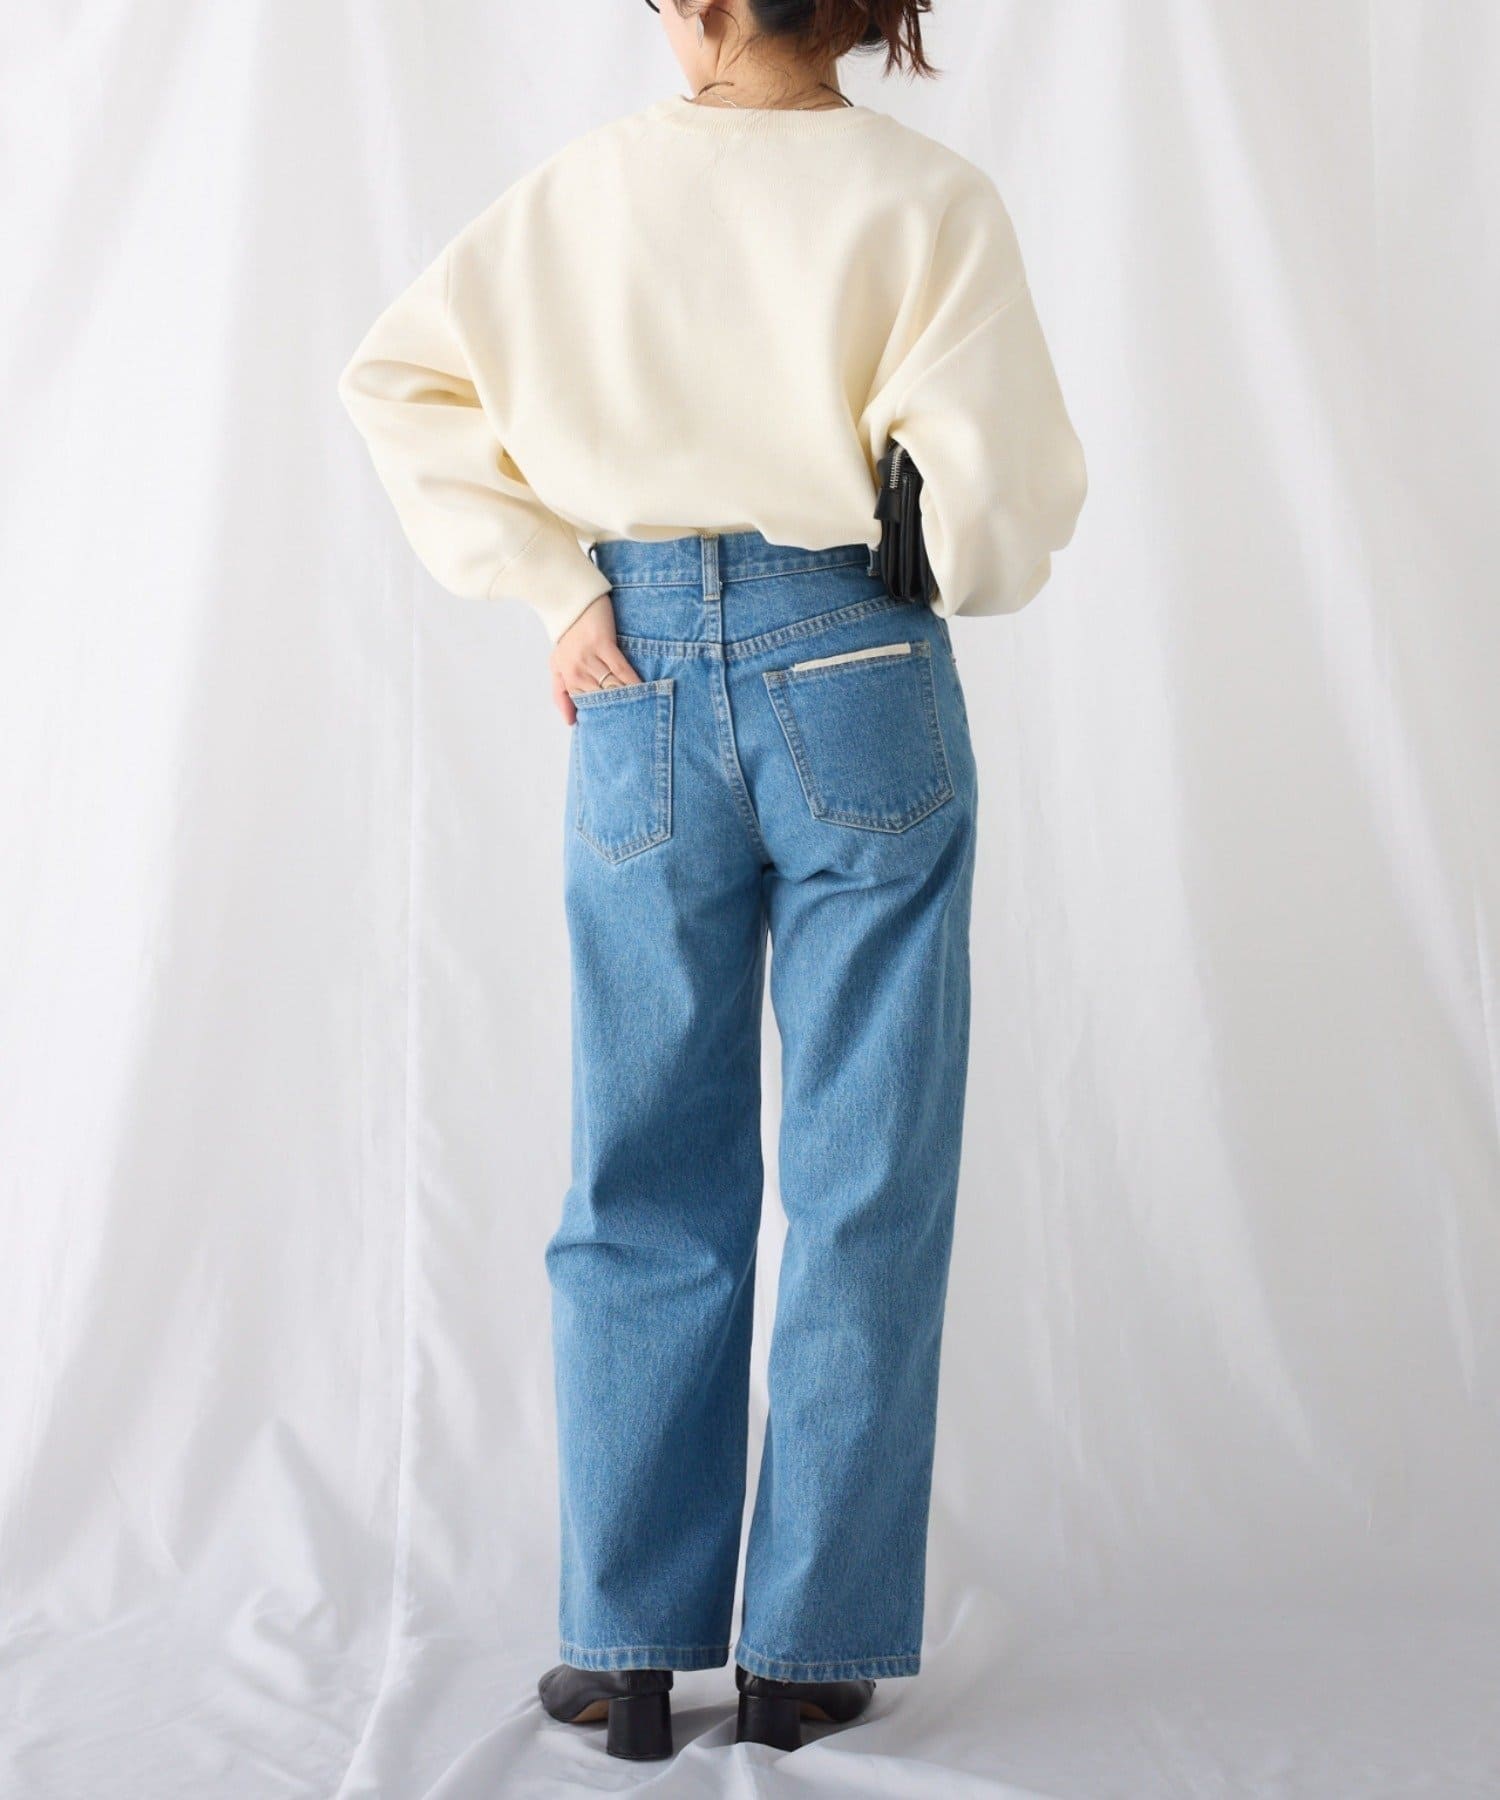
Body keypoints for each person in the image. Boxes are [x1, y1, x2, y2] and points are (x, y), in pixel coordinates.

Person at [338, 0, 1086, 1762]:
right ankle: (806, 1654)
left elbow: (398, 378)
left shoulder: (577, 194)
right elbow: (1004, 503)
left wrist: (558, 587)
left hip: (637, 672)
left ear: (707, 5)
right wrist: (935, 549)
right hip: (858, 661)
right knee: (866, 1173)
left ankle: (624, 1650)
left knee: (640, 1163)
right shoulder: (927, 200)